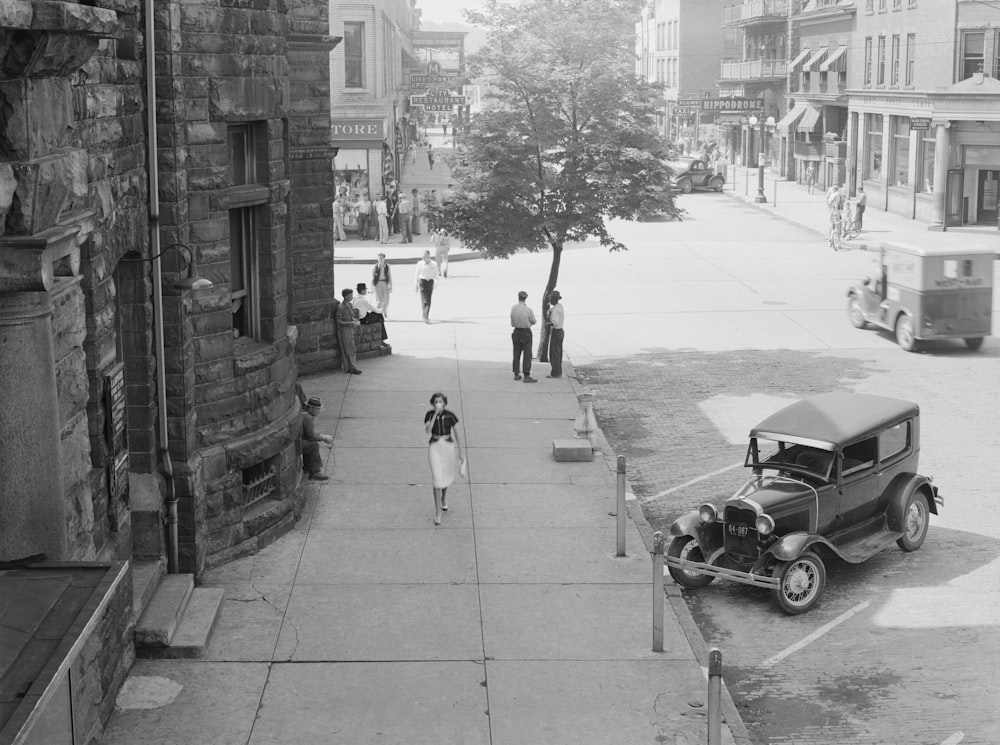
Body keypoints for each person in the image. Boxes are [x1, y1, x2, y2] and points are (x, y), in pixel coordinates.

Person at [424, 392, 466, 525]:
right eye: (436, 402)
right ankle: (438, 512)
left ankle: (444, 498)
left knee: (446, 477)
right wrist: (435, 415)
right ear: (433, 403)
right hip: (435, 447)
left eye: (440, 401)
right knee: (437, 479)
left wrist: (461, 452)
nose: (438, 404)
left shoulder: (450, 416)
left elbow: (458, 435)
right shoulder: (429, 415)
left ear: (445, 403)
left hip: (447, 446)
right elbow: (427, 431)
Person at [301, 396, 332, 481]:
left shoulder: (304, 414)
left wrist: (321, 435)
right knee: (313, 445)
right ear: (310, 408)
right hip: (297, 444)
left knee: (309, 445)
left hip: (297, 441)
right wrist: (323, 438)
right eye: (317, 409)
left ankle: (307, 469)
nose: (318, 412)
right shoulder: (307, 418)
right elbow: (311, 436)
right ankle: (315, 472)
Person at [510, 290, 537, 383]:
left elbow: (512, 322)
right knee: (527, 354)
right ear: (526, 299)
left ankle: (516, 373)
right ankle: (526, 374)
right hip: (526, 332)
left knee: (516, 353)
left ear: (518, 298)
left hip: (516, 331)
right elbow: (534, 321)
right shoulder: (528, 310)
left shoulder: (513, 308)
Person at [335, 288, 363, 374]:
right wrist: (350, 322)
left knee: (352, 348)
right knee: (347, 349)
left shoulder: (350, 305)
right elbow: (338, 321)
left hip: (349, 329)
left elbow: (351, 316)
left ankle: (352, 366)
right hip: (344, 331)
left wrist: (354, 320)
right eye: (350, 295)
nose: (352, 297)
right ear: (346, 297)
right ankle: (351, 367)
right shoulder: (340, 307)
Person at [414, 250, 439, 323]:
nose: (423, 257)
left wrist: (436, 284)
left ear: (428, 256)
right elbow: (416, 274)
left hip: (430, 282)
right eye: (423, 255)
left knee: (428, 299)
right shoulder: (420, 263)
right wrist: (415, 284)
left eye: (425, 255)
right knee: (425, 299)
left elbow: (436, 274)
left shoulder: (434, 264)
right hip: (422, 282)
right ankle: (426, 316)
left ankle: (424, 314)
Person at [546, 290, 565, 378]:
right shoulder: (559, 306)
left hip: (556, 331)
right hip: (560, 331)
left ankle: (555, 373)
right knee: (558, 352)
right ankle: (558, 371)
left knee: (554, 354)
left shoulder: (555, 310)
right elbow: (553, 310)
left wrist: (548, 323)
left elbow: (555, 322)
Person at [371, 252, 392, 319]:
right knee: (379, 301)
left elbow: (389, 276)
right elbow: (372, 277)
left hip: (385, 283)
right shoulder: (375, 267)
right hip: (378, 284)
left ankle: (384, 311)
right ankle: (378, 314)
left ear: (384, 259)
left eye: (381, 258)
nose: (380, 259)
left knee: (386, 300)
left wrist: (390, 286)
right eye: (379, 258)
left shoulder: (387, 266)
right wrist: (372, 287)